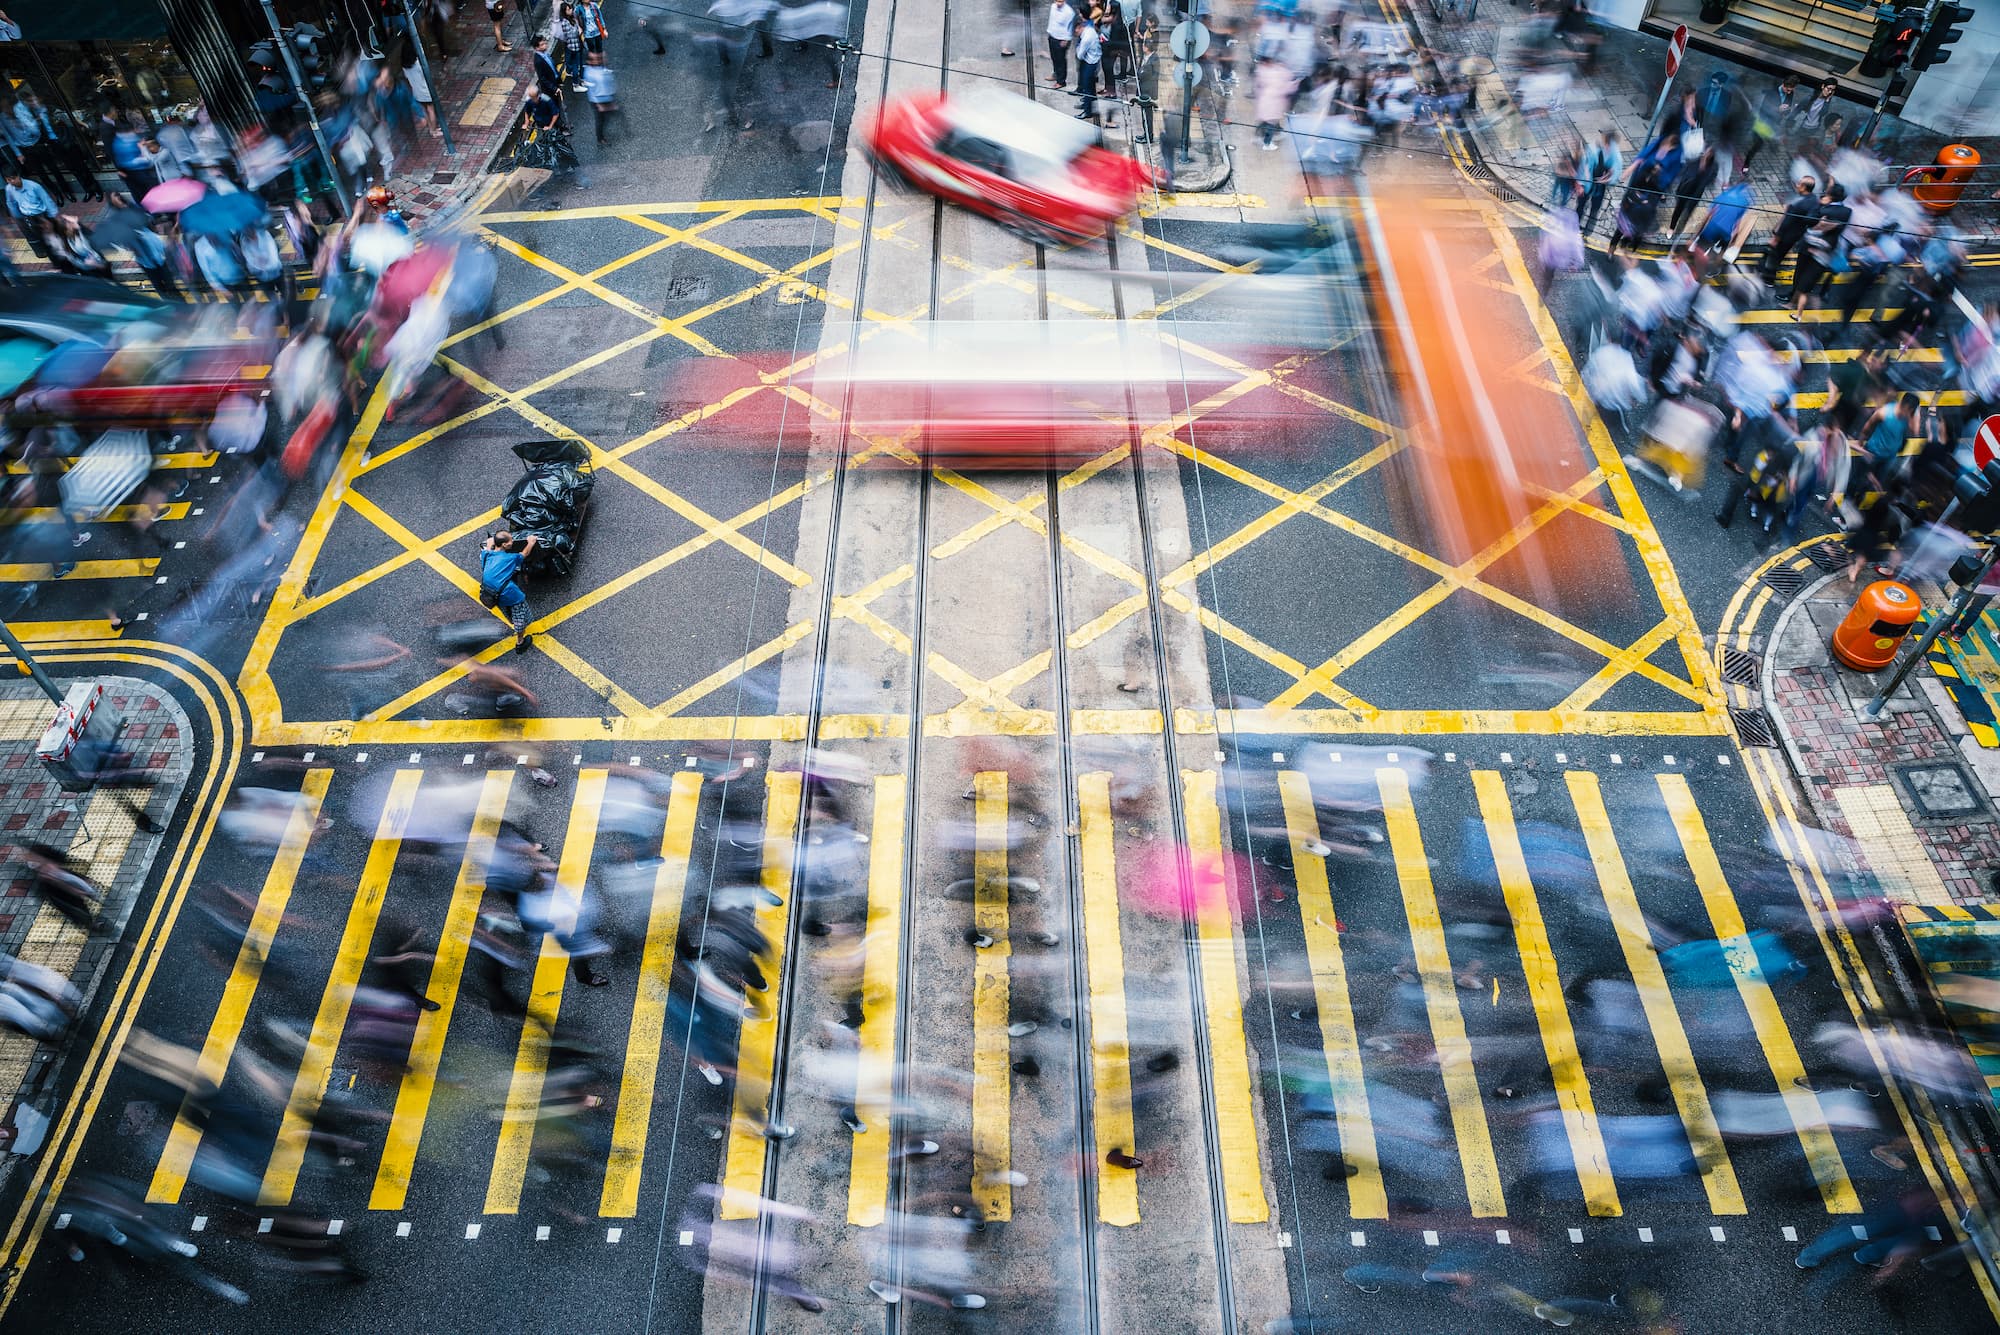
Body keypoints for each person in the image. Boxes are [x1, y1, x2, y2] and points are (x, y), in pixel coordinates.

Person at [479, 529, 537, 653]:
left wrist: (490, 543)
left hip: (492, 594)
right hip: (509, 594)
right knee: (520, 617)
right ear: (504, 545)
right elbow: (524, 554)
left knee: (508, 612)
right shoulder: (510, 558)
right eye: (510, 540)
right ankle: (520, 643)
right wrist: (531, 542)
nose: (513, 541)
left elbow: (488, 547)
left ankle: (513, 621)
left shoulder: (487, 554)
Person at [1758, 176, 1818, 280]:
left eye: (1799, 184)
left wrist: (1776, 239)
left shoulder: (1799, 204)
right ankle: (1762, 266)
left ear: (1804, 187)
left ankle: (1769, 279)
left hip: (1785, 237)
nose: (1797, 185)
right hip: (1795, 235)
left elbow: (1786, 223)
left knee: (1775, 257)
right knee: (1778, 254)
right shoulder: (1813, 200)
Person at [1664, 145, 1717, 240]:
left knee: (1687, 213)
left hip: (1695, 194)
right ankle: (1671, 228)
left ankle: (1679, 231)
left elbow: (1710, 180)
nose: (1707, 154)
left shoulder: (1712, 167)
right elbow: (1685, 172)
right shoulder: (1696, 161)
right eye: (1707, 152)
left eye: (1710, 153)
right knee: (1678, 210)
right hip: (1685, 189)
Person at [3, 167, 57, 258]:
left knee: (52, 236)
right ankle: (50, 255)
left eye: (13, 178)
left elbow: (47, 200)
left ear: (18, 176)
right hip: (28, 217)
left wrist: (53, 216)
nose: (12, 181)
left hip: (41, 215)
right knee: (40, 238)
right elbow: (11, 202)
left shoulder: (34, 186)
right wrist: (17, 217)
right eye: (9, 180)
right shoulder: (9, 189)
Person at [1578, 128, 1620, 235]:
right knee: (1580, 206)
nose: (1606, 146)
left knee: (1595, 209)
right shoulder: (1594, 150)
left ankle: (1587, 232)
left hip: (1600, 187)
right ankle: (1575, 226)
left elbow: (1615, 172)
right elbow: (1585, 166)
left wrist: (1608, 179)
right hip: (1588, 183)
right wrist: (1581, 184)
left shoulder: (1615, 155)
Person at [1254, 53, 1296, 151]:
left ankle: (1257, 137)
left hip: (1264, 100)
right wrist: (1294, 84)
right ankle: (1267, 143)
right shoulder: (1281, 73)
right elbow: (1286, 89)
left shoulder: (1263, 70)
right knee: (1271, 124)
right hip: (1274, 104)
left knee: (1264, 121)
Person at [582, 51, 618, 146]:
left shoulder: (599, 67)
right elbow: (592, 91)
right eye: (595, 59)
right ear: (589, 62)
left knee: (606, 117)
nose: (598, 59)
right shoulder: (589, 74)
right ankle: (600, 138)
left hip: (606, 97)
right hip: (597, 101)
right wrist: (599, 105)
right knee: (600, 119)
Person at [1073, 11, 1102, 122]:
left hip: (1090, 63)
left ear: (1080, 27)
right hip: (1090, 60)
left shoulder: (1086, 38)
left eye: (1075, 30)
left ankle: (1087, 111)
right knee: (1089, 87)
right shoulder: (1088, 31)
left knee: (1087, 87)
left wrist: (1078, 47)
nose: (1075, 33)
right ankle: (1087, 104)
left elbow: (1079, 55)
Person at [1046, 0, 1075, 87]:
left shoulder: (1069, 12)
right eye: (1057, 1)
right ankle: (1056, 74)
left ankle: (1061, 81)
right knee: (1054, 57)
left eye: (1061, 1)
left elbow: (1070, 27)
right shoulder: (1053, 7)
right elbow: (1052, 21)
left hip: (1062, 39)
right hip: (1052, 36)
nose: (1059, 3)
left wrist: (1066, 40)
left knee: (1061, 60)